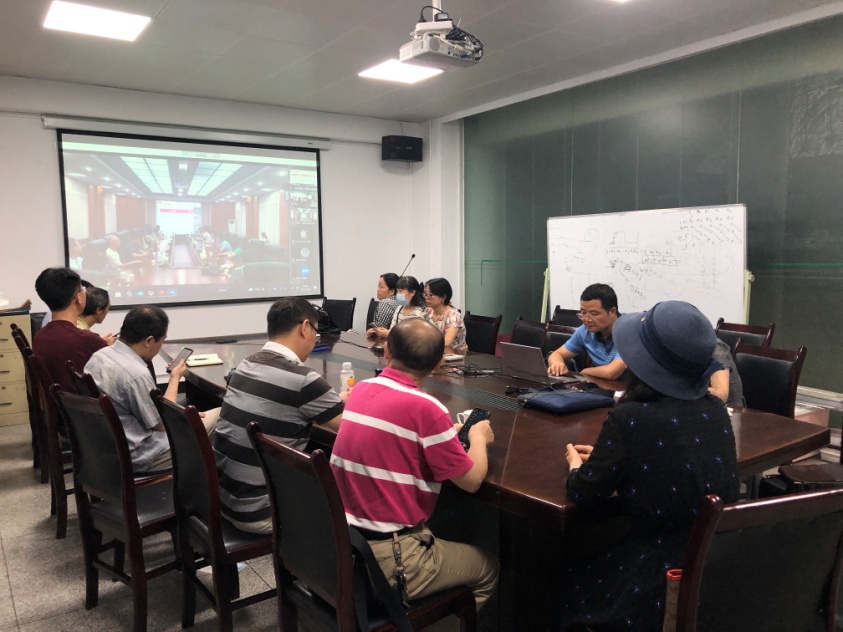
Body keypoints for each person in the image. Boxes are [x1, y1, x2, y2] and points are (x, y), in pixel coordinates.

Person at [560, 301, 739, 631]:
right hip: (715, 570)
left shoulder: (630, 417)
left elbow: (584, 491)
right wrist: (616, 457)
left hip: (650, 580)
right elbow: (674, 460)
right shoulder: (715, 410)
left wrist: (575, 465)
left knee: (553, 580)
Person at [330, 318, 499, 610]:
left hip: (340, 541)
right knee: (488, 568)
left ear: (387, 352)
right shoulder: (428, 408)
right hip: (389, 557)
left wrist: (441, 436)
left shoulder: (362, 389)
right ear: (438, 363)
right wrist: (478, 437)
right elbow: (471, 481)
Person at [214, 297, 348, 533]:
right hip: (261, 511)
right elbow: (348, 429)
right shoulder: (304, 380)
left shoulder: (246, 364)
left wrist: (329, 401)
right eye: (316, 332)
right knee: (345, 501)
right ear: (305, 327)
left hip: (223, 499)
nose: (315, 339)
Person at [85, 306, 219, 475]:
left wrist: (181, 413)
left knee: (191, 414)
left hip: (106, 448)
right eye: (162, 341)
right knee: (222, 415)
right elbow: (163, 424)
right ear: (149, 341)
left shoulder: (98, 356)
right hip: (143, 455)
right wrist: (175, 379)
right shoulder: (136, 374)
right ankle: (212, 481)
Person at [32, 267, 108, 393]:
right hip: (86, 405)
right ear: (78, 298)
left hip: (58, 404)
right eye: (83, 290)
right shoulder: (86, 340)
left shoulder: (40, 336)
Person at [547, 283, 627, 379]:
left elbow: (611, 372)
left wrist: (585, 372)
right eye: (583, 313)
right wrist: (557, 364)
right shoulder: (585, 331)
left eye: (594, 314)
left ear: (612, 311)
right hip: (601, 384)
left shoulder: (628, 331)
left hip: (628, 387)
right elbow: (556, 354)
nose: (587, 319)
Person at [424, 277, 468, 355]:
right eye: (425, 294)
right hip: (433, 353)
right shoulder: (428, 311)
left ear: (443, 297)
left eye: (430, 295)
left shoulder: (453, 316)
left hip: (454, 355)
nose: (426, 298)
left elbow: (446, 344)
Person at [708, 339, 745, 407]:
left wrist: (689, 389)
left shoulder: (716, 347)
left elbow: (721, 395)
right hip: (699, 405)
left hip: (730, 407)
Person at [366, 272, 400, 336]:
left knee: (351, 331)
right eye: (378, 286)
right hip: (394, 338)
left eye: (381, 287)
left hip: (383, 339)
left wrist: (369, 332)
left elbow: (378, 330)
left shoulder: (386, 303)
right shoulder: (401, 303)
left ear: (392, 291)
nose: (378, 289)